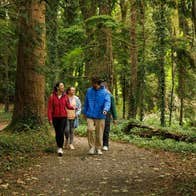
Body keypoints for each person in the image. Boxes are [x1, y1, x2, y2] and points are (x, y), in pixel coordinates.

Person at [83, 77, 111, 155]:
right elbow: (86, 102)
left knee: (99, 133)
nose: (93, 85)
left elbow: (107, 102)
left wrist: (105, 109)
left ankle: (98, 148)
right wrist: (84, 112)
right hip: (90, 114)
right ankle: (92, 147)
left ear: (98, 84)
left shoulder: (105, 92)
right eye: (92, 83)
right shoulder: (89, 90)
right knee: (90, 129)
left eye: (94, 83)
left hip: (100, 115)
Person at [48, 82, 75, 156]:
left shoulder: (65, 96)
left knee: (61, 131)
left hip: (63, 117)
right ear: (57, 88)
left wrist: (72, 107)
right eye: (61, 86)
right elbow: (50, 109)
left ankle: (60, 148)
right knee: (57, 132)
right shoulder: (52, 97)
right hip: (55, 117)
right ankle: (58, 146)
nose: (63, 87)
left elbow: (68, 105)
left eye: (63, 85)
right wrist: (50, 119)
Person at [102, 82, 117, 151]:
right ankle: (98, 143)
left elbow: (113, 107)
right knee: (98, 130)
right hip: (98, 114)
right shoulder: (98, 94)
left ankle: (105, 144)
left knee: (106, 130)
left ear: (106, 87)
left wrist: (115, 118)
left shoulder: (110, 96)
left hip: (107, 114)